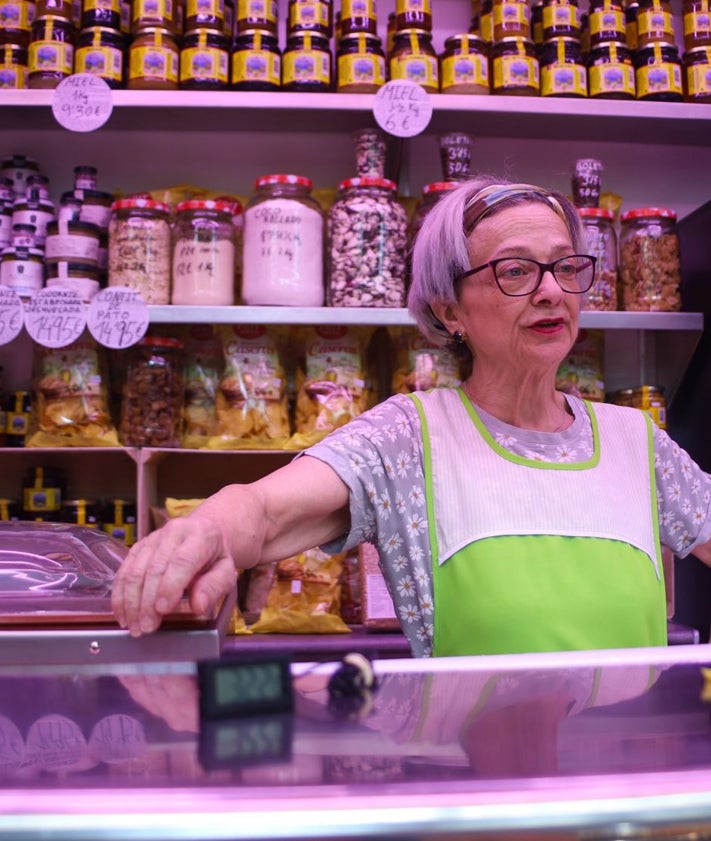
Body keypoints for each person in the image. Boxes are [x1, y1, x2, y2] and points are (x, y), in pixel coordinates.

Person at [111, 176, 711, 657]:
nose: (552, 291)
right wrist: (207, 530)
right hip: (486, 795)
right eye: (516, 271)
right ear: (449, 308)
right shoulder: (407, 437)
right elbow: (265, 512)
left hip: (635, 794)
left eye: (565, 266)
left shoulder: (635, 440)